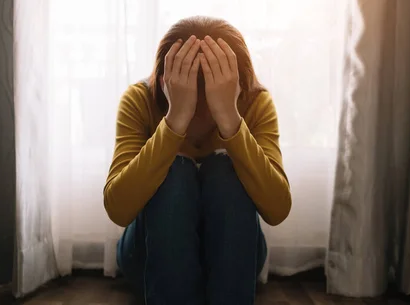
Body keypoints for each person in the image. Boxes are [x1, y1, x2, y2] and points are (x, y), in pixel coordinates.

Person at [103, 16, 292, 305]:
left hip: (235, 262)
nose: (201, 118)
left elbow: (278, 209)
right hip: (148, 257)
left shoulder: (254, 103)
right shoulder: (139, 100)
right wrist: (175, 120)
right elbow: (118, 209)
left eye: (209, 103)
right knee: (174, 171)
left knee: (225, 169)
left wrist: (229, 118)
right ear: (167, 83)